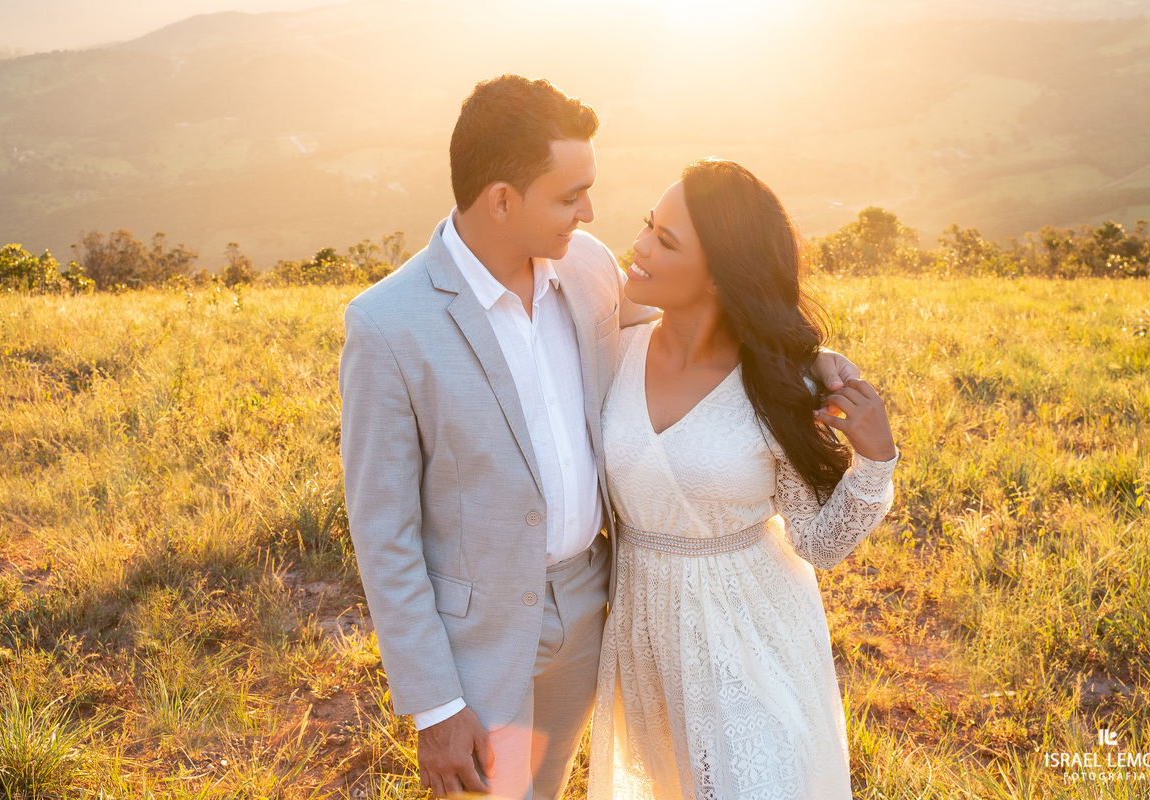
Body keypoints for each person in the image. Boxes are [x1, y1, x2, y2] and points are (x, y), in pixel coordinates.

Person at [339, 76, 860, 800]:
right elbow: (382, 530)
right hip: (482, 644)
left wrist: (806, 364)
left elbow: (688, 339)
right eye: (569, 195)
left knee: (546, 790)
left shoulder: (584, 270)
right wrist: (435, 705)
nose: (589, 213)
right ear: (501, 201)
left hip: (594, 611)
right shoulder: (388, 326)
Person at [587, 158, 899, 800]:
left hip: (752, 634)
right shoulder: (614, 348)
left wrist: (875, 465)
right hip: (647, 630)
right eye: (650, 225)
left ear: (721, 279)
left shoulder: (779, 386)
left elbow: (817, 543)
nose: (639, 246)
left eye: (666, 242)